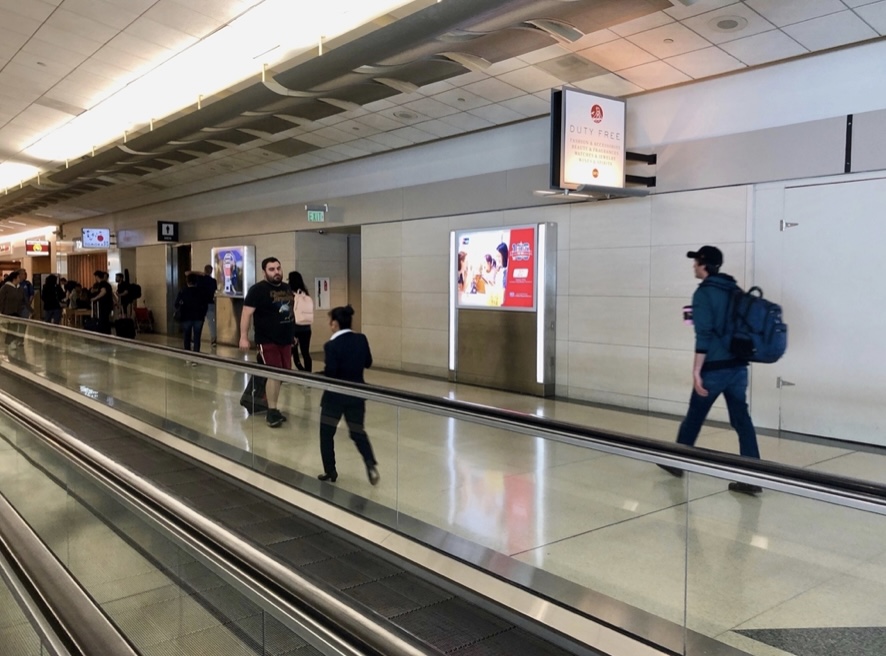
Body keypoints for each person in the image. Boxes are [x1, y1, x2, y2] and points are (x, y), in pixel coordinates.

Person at [659, 246, 762, 496]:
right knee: (742, 420)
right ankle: (754, 476)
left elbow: (703, 336)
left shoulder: (704, 294)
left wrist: (696, 371)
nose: (693, 266)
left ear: (704, 264)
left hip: (715, 368)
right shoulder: (735, 290)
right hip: (738, 367)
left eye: (695, 262)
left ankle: (677, 462)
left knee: (695, 414)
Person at [317, 305, 379, 486]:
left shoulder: (331, 345)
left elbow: (332, 372)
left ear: (335, 324)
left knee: (326, 433)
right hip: (356, 395)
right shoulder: (361, 339)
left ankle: (330, 471)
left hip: (334, 397)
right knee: (357, 432)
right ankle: (370, 463)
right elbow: (368, 362)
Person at [239, 257, 295, 428]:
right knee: (274, 373)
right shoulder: (257, 290)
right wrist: (243, 336)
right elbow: (246, 314)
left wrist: (294, 333)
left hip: (286, 339)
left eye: (278, 268)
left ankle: (256, 399)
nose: (276, 272)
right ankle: (272, 411)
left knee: (283, 374)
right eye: (272, 269)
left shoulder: (286, 288)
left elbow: (290, 312)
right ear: (264, 271)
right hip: (267, 339)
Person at [175, 273, 209, 360]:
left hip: (186, 317)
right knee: (197, 337)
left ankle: (187, 356)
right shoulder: (201, 291)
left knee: (187, 337)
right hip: (198, 317)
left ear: (187, 282)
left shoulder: (183, 291)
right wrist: (203, 314)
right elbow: (205, 305)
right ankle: (196, 357)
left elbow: (176, 304)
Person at [288, 271, 313, 372]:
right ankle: (307, 372)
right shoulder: (305, 293)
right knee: (305, 352)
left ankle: (291, 371)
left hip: (294, 328)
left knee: (291, 352)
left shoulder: (290, 294)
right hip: (306, 328)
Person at [200, 264, 218, 347]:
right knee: (211, 323)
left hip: (201, 303)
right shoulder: (213, 281)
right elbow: (214, 290)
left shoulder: (200, 279)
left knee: (199, 321)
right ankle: (213, 339)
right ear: (211, 271)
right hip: (210, 303)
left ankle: (195, 337)